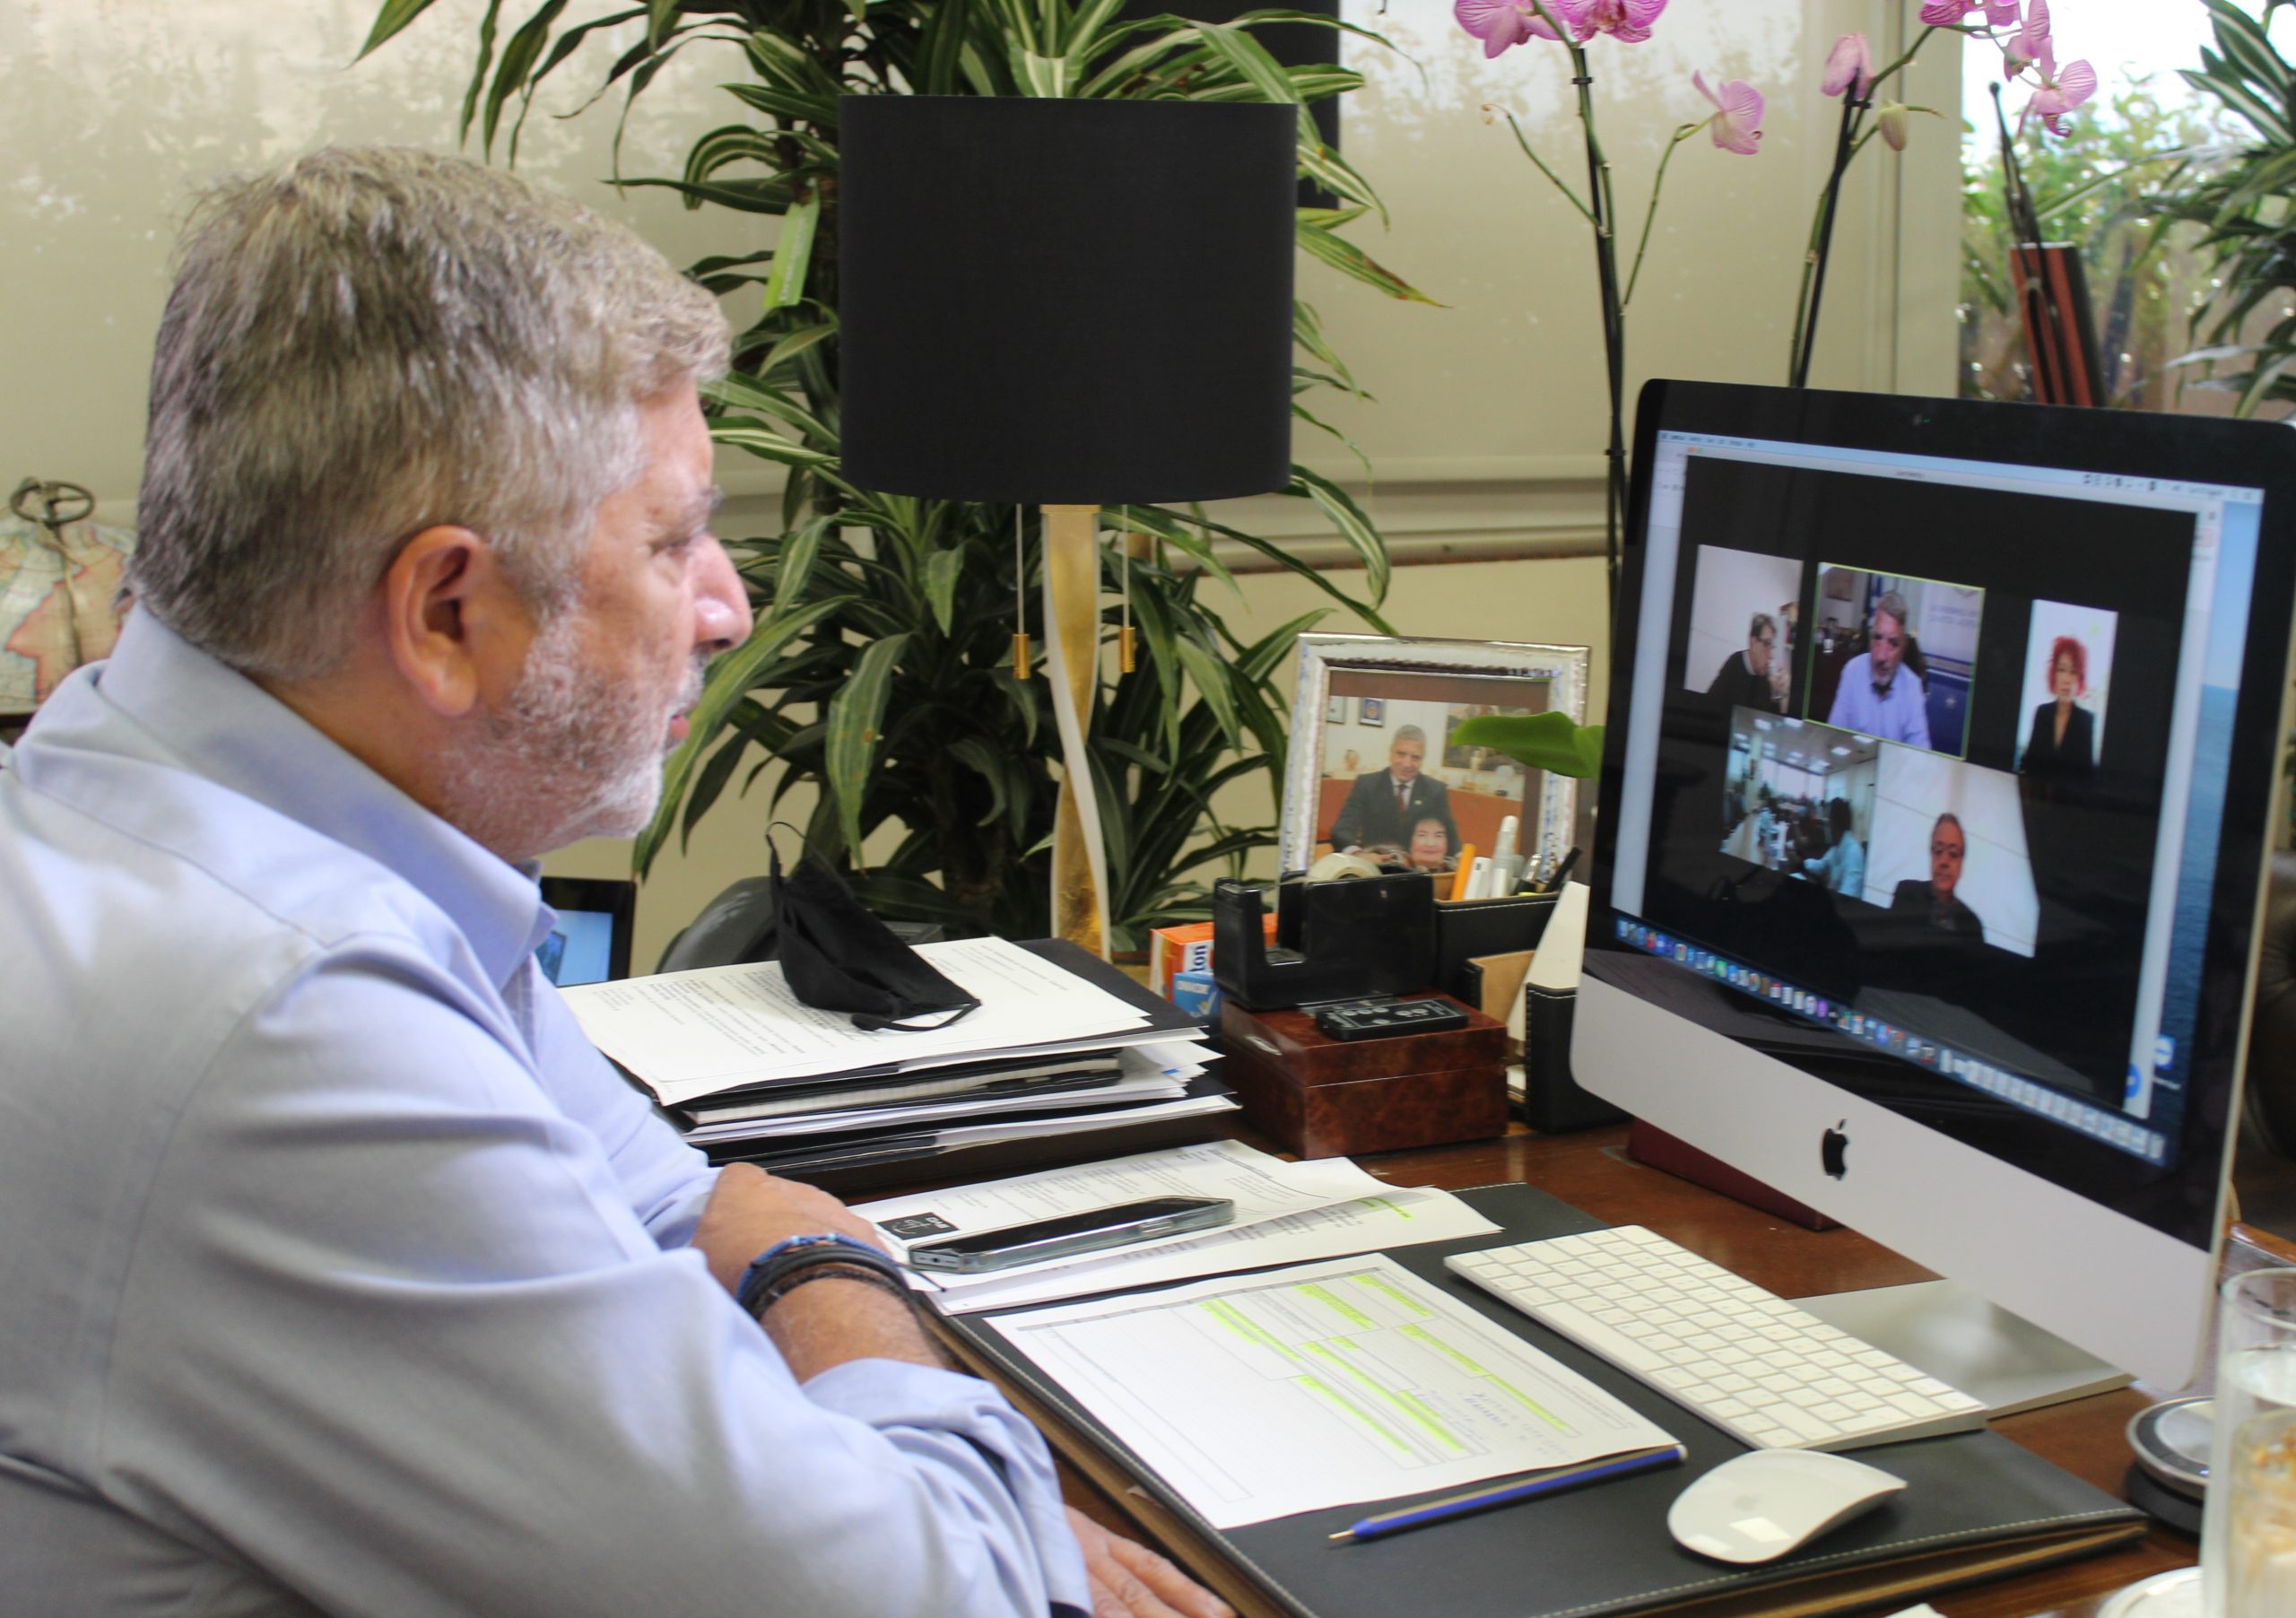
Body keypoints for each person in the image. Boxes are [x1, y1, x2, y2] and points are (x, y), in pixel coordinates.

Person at [0, 148, 1227, 1618]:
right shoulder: (288, 1021)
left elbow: (661, 1195)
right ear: (446, 608)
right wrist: (833, 1280)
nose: (730, 605)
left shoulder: (153, 775)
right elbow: (920, 1595)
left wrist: (884, 1460)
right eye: (674, 538)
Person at [1328, 724, 1457, 855]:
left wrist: (1461, 857)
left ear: (1422, 759)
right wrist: (1358, 854)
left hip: (1416, 864)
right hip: (1374, 861)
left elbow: (1451, 839)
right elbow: (1342, 830)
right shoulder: (1366, 785)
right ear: (1390, 753)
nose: (1407, 764)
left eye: (1415, 758)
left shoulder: (1436, 790)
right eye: (1401, 754)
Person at [1827, 590, 1931, 748]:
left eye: (1893, 644)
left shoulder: (1912, 686)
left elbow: (1920, 752)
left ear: (1903, 648)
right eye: (1877, 638)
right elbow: (1833, 735)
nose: (1881, 656)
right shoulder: (1852, 672)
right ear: (1870, 638)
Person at [1890, 812, 1986, 942]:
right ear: (1931, 855)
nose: (1944, 861)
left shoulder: (1972, 924)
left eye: (1953, 854)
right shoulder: (1907, 894)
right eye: (1938, 851)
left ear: (1962, 864)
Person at [2021, 635, 2096, 789]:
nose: (2066, 679)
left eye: (2073, 672)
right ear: (2054, 674)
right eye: (2061, 670)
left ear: (2080, 678)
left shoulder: (2086, 720)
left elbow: (2087, 778)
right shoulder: (2042, 713)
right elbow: (2029, 765)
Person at [1705, 612, 1782, 714]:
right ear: (1753, 642)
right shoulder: (1734, 663)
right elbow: (1709, 704)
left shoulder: (1765, 674)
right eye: (1766, 644)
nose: (1771, 655)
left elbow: (1770, 718)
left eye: (1772, 646)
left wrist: (1776, 694)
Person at [1802, 796, 1866, 900]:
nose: (1826, 827)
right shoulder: (1836, 847)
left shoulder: (1853, 853)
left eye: (1828, 822)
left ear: (1835, 824)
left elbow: (1847, 896)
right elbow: (1820, 865)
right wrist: (1802, 863)